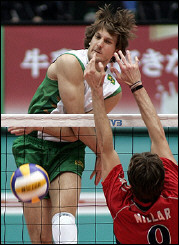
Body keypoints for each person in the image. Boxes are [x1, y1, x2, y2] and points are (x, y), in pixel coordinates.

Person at [8, 4, 137, 244]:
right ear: (90, 37)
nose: (99, 43)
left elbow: (77, 131)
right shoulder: (70, 62)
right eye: (98, 36)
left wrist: (40, 124)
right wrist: (101, 151)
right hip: (33, 145)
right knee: (42, 238)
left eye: (108, 41)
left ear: (116, 50)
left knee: (64, 220)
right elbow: (77, 127)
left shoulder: (113, 90)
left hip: (68, 151)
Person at [84, 50, 178, 244]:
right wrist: (136, 84)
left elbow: (106, 147)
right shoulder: (174, 195)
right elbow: (159, 136)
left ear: (130, 186)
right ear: (164, 182)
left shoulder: (122, 208)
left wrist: (95, 91)